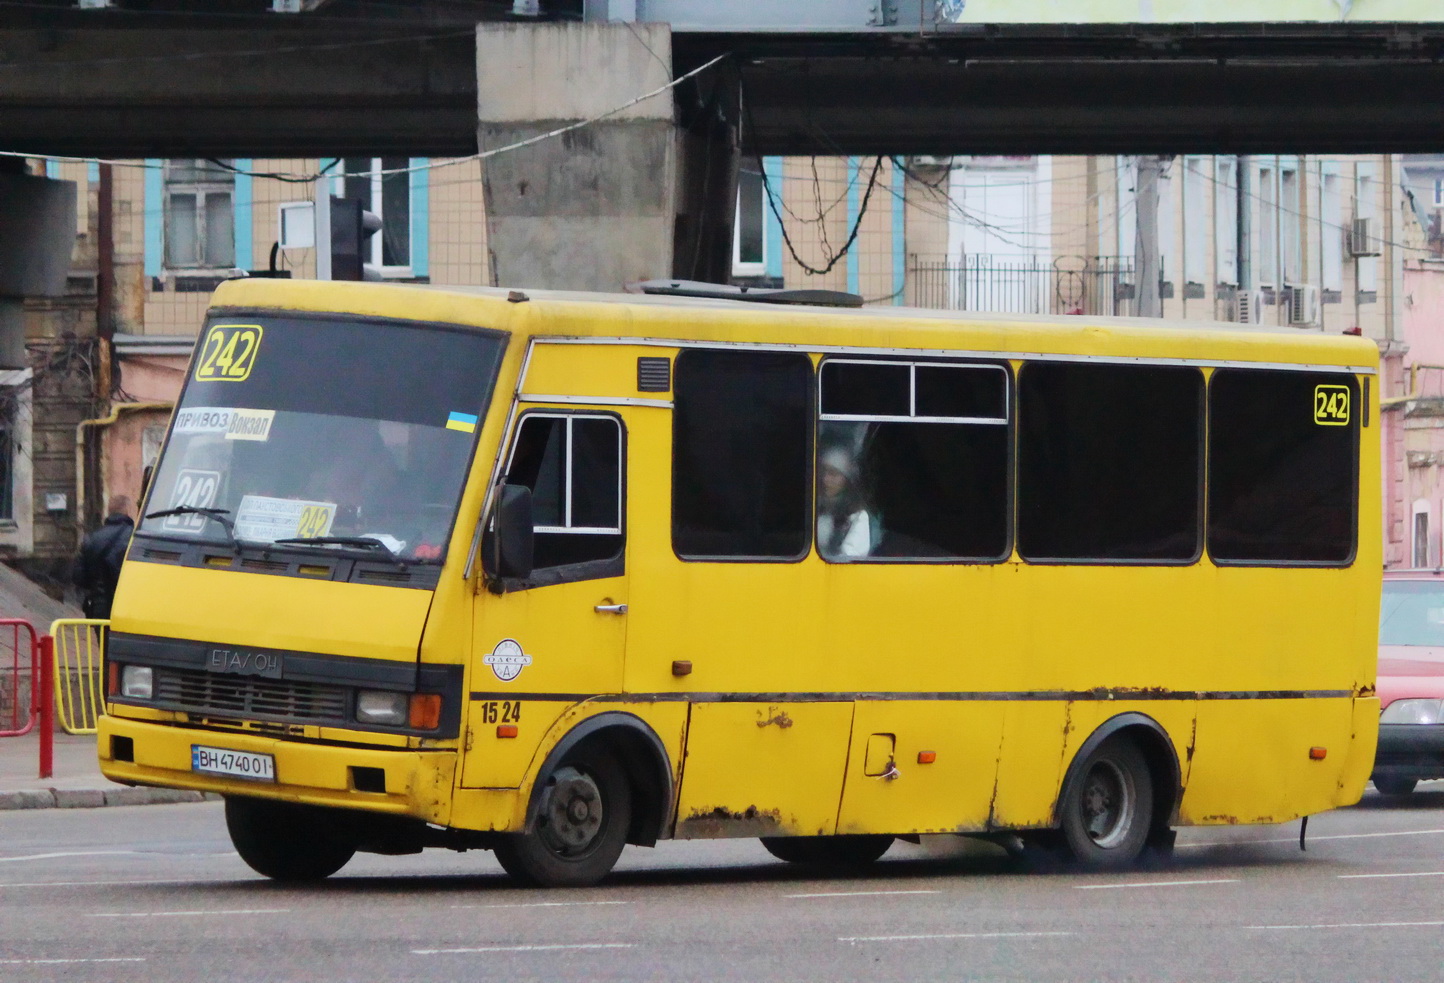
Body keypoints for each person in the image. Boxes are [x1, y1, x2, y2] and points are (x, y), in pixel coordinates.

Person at [73, 496, 134, 619]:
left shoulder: (91, 538)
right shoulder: (135, 538)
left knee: (103, 638)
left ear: (109, 511)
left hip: (99, 608)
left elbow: (78, 577)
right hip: (129, 608)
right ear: (128, 511)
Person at [817, 446, 872, 559]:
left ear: (846, 480)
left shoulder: (857, 516)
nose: (826, 479)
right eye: (824, 472)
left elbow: (852, 558)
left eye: (833, 474)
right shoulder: (814, 507)